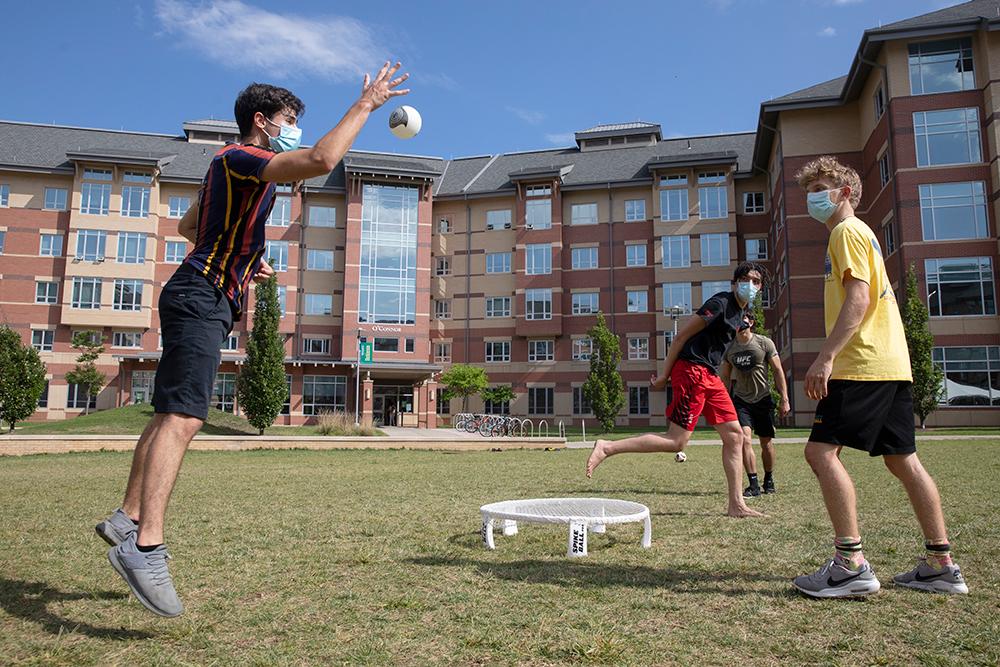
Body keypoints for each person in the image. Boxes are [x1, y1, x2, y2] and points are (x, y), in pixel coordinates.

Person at [94, 63, 411, 617]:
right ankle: (145, 547)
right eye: (288, 121)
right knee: (185, 417)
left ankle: (124, 516)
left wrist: (248, 257)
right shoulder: (241, 157)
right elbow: (321, 160)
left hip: (201, 288)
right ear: (261, 123)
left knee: (168, 410)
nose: (293, 129)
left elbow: (188, 228)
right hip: (201, 294)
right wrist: (368, 103)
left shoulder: (230, 172)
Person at [791, 156, 968, 597]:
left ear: (845, 191)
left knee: (820, 454)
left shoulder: (846, 231)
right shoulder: (863, 234)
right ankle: (941, 564)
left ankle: (849, 564)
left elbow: (859, 298)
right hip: (891, 364)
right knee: (902, 459)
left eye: (823, 185)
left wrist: (826, 356)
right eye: (809, 186)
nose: (814, 193)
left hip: (861, 364)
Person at [586, 262, 767, 519]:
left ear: (760, 288)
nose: (750, 284)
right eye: (746, 279)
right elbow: (681, 337)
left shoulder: (741, 313)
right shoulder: (720, 304)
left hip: (710, 376)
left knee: (736, 436)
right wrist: (664, 376)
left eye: (756, 281)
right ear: (734, 282)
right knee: (676, 441)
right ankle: (606, 447)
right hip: (692, 370)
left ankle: (736, 504)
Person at [720, 312, 790, 497]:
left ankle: (769, 479)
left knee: (766, 443)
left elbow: (777, 370)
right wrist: (723, 401)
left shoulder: (764, 343)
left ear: (750, 322)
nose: (738, 323)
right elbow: (725, 376)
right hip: (741, 400)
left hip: (763, 399)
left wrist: (784, 399)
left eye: (742, 319)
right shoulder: (729, 348)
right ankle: (753, 484)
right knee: (744, 439)